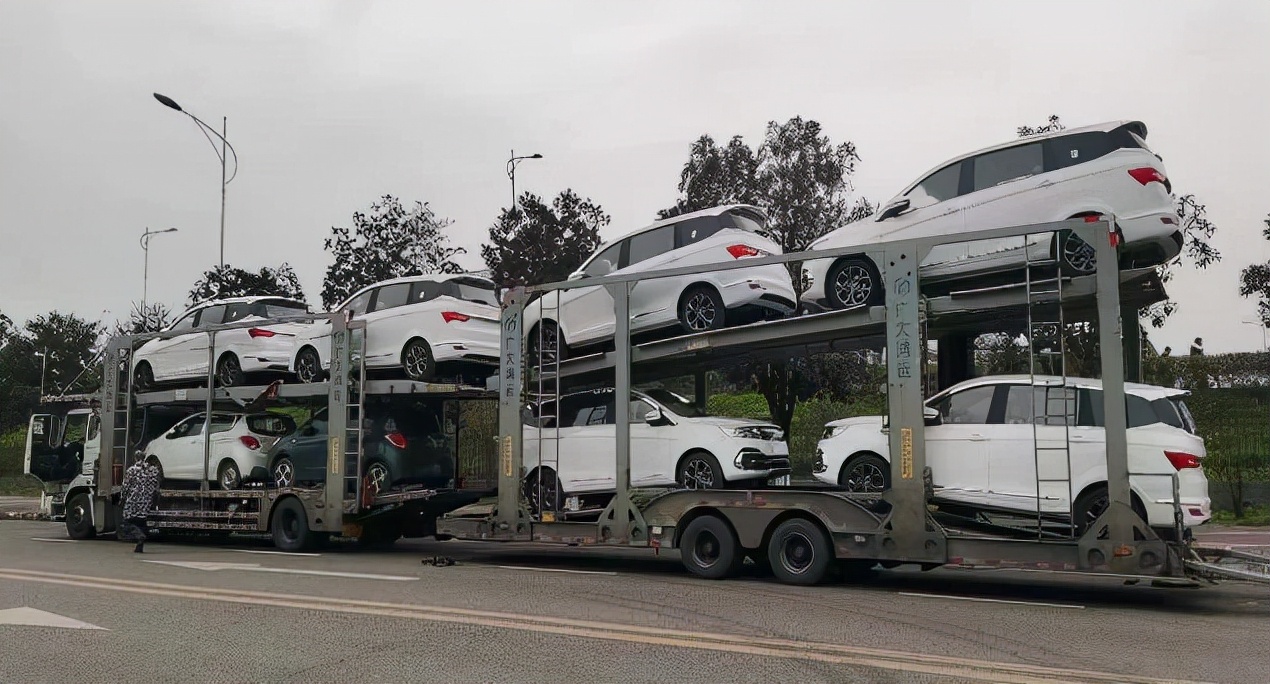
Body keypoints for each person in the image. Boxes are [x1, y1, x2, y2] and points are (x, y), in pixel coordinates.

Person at [120, 452, 161, 553]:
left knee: (127, 521)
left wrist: (122, 497)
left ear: (135, 458)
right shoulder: (152, 471)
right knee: (141, 522)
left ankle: (139, 536)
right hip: (146, 501)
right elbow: (156, 486)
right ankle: (139, 546)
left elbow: (126, 486)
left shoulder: (132, 470)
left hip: (133, 500)